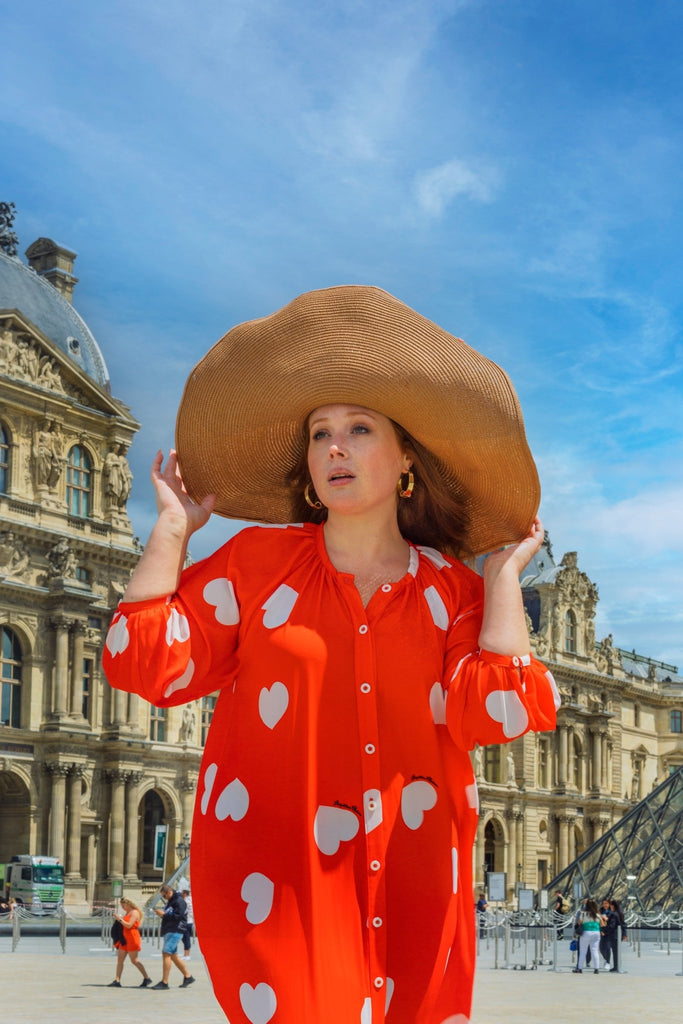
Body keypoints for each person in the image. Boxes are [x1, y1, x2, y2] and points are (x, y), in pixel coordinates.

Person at [104, 286, 559, 1024]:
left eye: (358, 428)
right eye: (319, 434)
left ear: (406, 455)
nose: (335, 448)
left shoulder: (453, 591)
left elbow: (497, 712)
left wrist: (501, 576)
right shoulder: (253, 567)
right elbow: (142, 663)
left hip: (416, 877)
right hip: (282, 882)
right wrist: (172, 532)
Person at [152, 884, 195, 990]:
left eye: (164, 896)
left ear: (169, 892)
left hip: (176, 930)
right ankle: (188, 976)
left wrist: (163, 915)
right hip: (170, 929)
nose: (164, 898)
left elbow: (177, 916)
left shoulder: (179, 901)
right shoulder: (172, 901)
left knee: (166, 953)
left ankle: (164, 982)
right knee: (173, 955)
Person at [108, 896, 151, 988]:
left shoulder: (135, 912)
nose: (123, 907)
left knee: (134, 960)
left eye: (124, 905)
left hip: (132, 937)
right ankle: (117, 980)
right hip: (124, 938)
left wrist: (119, 919)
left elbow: (129, 925)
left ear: (129, 904)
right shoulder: (127, 912)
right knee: (120, 960)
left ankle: (147, 978)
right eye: (122, 905)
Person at [573, 899, 604, 974]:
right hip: (596, 933)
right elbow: (602, 924)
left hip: (586, 933)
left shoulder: (584, 914)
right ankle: (596, 969)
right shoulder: (598, 915)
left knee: (583, 951)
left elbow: (579, 923)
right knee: (595, 951)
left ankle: (580, 968)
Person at [605, 898, 627, 973]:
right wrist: (624, 933)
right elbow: (623, 924)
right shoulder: (620, 913)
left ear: (612, 905)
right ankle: (617, 966)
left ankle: (616, 967)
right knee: (617, 951)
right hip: (618, 934)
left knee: (615, 952)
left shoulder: (613, 914)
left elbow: (612, 925)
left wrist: (605, 930)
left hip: (614, 935)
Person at [181, 887, 194, 959]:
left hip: (187, 922)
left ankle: (187, 954)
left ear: (185, 894)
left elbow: (190, 911)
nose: (180, 894)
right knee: (184, 938)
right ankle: (186, 953)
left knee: (186, 938)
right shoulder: (187, 900)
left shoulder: (187, 901)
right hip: (186, 921)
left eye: (181, 893)